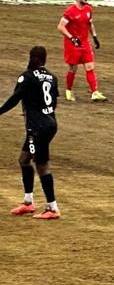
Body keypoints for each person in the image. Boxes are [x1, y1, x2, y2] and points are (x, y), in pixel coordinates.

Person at [1, 46, 61, 220]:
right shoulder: (52, 77)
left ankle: (52, 207)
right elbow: (53, 102)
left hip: (37, 128)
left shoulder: (26, 77)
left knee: (41, 165)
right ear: (44, 59)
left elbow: (15, 98)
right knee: (24, 159)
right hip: (50, 124)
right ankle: (28, 202)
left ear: (31, 57)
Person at [57, 0, 106, 102]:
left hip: (84, 43)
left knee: (90, 67)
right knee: (73, 69)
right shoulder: (70, 12)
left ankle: (94, 92)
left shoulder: (88, 9)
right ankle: (68, 91)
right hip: (72, 44)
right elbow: (60, 27)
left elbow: (90, 24)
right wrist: (72, 38)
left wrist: (95, 37)